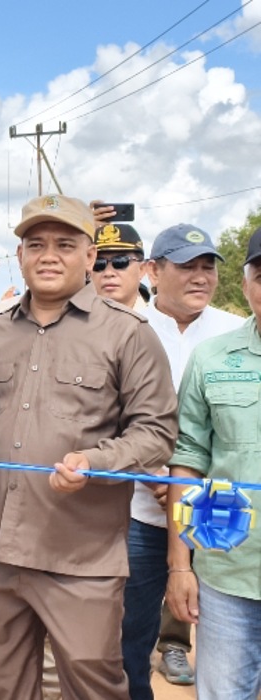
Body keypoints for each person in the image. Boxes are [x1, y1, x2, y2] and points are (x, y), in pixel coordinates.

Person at [0, 194, 178, 700]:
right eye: (35, 243)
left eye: (66, 244)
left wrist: (97, 461)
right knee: (5, 687)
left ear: (90, 256)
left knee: (95, 686)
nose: (49, 255)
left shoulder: (128, 335)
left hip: (82, 558)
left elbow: (156, 432)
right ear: (19, 256)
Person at [120, 223, 243, 698]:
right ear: (153, 270)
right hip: (142, 511)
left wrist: (194, 484)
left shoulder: (234, 332)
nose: (200, 276)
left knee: (227, 636)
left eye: (207, 266)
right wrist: (153, 476)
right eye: (186, 266)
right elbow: (107, 415)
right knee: (129, 634)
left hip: (223, 513)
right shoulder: (127, 330)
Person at [165, 225, 261, 700]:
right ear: (245, 284)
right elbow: (188, 463)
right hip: (228, 570)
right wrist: (181, 565)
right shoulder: (211, 358)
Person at [90, 223, 147, 309]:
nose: (108, 273)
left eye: (120, 262)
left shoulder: (162, 320)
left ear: (141, 269)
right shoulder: (73, 320)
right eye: (99, 263)